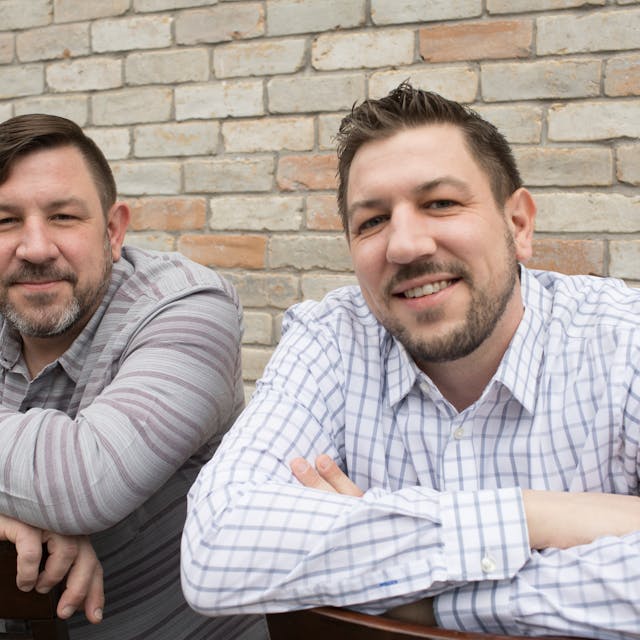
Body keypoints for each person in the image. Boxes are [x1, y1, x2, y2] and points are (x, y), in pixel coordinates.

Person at [181, 82, 640, 638]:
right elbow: (217, 549)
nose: (404, 245)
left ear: (517, 225)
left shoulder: (622, 340)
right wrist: (537, 517)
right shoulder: (331, 337)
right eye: (371, 220)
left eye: (440, 203)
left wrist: (414, 596)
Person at [0, 114, 267, 640]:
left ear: (114, 229)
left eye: (63, 216)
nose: (34, 248)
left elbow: (86, 481)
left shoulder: (189, 307)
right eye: (4, 221)